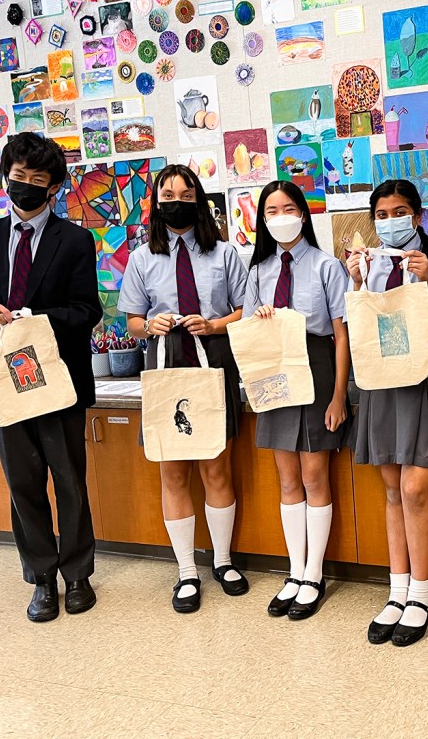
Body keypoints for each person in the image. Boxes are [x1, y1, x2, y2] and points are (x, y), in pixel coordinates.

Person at [0, 133, 103, 622]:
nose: (23, 186)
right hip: (5, 382)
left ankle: (78, 574)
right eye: (17, 176)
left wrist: (32, 318)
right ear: (7, 176)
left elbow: (87, 310)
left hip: (60, 380)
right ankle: (42, 577)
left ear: (53, 188)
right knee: (23, 484)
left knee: (69, 481)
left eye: (36, 179)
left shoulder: (76, 240)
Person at [119, 164, 249, 613]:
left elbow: (243, 311)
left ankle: (224, 561)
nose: (177, 199)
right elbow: (132, 323)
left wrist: (214, 323)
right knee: (173, 472)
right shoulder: (140, 258)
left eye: (185, 193)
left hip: (212, 357)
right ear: (156, 202)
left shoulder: (225, 253)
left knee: (217, 468)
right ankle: (186, 571)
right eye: (167, 193)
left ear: (199, 199)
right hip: (164, 362)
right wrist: (148, 324)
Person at [347, 180, 428, 647]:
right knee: (393, 488)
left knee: (416, 487)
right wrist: (356, 281)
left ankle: (423, 594)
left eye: (399, 212)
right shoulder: (369, 262)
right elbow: (357, 326)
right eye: (381, 213)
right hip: (383, 377)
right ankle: (397, 591)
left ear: (417, 216)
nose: (389, 220)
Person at [244, 180, 352, 621]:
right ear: (263, 220)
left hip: (318, 367)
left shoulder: (327, 266)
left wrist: (339, 395)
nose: (280, 216)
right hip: (275, 370)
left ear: (303, 214)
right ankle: (294, 571)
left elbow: (343, 335)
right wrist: (262, 319)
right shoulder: (257, 271)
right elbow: (253, 334)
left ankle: (314, 573)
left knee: (314, 475)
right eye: (271, 211)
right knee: (287, 478)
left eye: (288, 208)